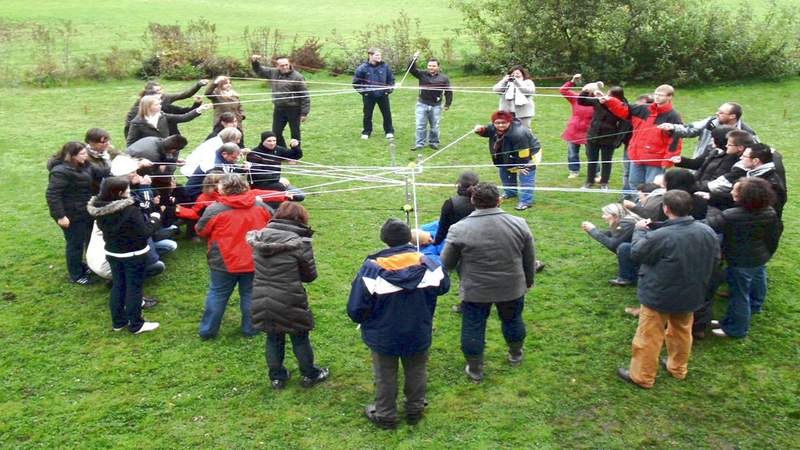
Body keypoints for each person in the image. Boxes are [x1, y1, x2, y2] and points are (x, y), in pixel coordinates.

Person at [347, 219, 450, 428]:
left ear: (385, 240)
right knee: (417, 369)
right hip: (418, 329)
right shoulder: (429, 263)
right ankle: (415, 408)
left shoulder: (371, 270)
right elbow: (444, 286)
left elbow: (356, 309)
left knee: (385, 374)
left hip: (383, 334)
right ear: (408, 238)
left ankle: (385, 414)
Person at [617, 190, 719, 389]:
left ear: (666, 209)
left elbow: (637, 253)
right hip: (692, 292)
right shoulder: (707, 231)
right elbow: (715, 260)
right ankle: (677, 368)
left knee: (649, 335)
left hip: (660, 294)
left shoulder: (662, 236)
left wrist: (639, 230)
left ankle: (642, 376)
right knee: (682, 331)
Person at [441, 182, 536, 383]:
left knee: (473, 326)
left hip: (476, 291)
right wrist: (529, 281)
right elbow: (529, 258)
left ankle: (475, 369)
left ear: (473, 201)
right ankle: (515, 354)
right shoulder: (520, 223)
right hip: (511, 286)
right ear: (499, 200)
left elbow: (446, 263)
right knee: (513, 319)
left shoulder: (458, 229)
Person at [247, 202, 330, 389]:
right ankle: (310, 374)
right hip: (290, 297)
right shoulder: (300, 243)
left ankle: (277, 377)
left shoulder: (259, 237)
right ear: (300, 219)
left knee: (273, 337)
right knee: (299, 336)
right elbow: (310, 275)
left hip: (262, 295)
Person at [196, 174, 272, 339]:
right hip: (253, 259)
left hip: (224, 262)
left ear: (224, 189)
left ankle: (208, 331)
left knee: (218, 293)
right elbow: (271, 226)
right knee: (250, 293)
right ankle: (250, 329)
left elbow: (201, 230)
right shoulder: (261, 206)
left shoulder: (215, 209)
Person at [705, 178, 780, 338]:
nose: (731, 192)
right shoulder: (769, 211)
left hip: (740, 261)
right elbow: (773, 236)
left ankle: (736, 329)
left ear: (745, 197)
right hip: (759, 256)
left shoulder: (732, 215)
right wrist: (767, 253)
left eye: (735, 191)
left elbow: (707, 225)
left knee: (739, 295)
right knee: (758, 281)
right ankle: (755, 306)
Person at [87, 176, 162, 334]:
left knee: (118, 286)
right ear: (120, 192)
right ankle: (136, 325)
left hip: (113, 253)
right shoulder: (130, 211)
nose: (130, 192)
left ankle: (119, 322)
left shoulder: (100, 209)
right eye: (127, 189)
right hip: (133, 254)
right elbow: (145, 233)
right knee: (134, 288)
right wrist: (155, 218)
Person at [601, 84, 683, 188]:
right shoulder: (643, 109)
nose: (657, 97)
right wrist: (609, 100)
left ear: (669, 97)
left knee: (652, 187)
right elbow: (624, 108)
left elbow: (676, 140)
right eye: (656, 94)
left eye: (661, 95)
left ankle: (650, 204)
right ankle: (637, 203)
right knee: (634, 183)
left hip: (655, 160)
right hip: (637, 156)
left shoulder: (673, 116)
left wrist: (668, 160)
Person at [46, 142, 102, 285]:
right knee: (75, 244)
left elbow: (102, 172)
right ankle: (76, 275)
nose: (86, 156)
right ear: (72, 156)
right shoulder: (60, 172)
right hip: (71, 215)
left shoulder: (84, 164)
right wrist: (60, 216)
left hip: (85, 210)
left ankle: (87, 266)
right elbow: (53, 195)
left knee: (88, 239)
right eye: (82, 154)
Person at [474, 110, 541, 210]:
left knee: (526, 174)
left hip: (529, 154)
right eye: (497, 123)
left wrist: (520, 167)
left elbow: (523, 153)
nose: (500, 125)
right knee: (504, 170)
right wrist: (480, 130)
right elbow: (488, 131)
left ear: (509, 122)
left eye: (503, 123)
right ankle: (510, 192)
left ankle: (526, 201)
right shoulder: (493, 127)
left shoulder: (519, 133)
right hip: (508, 152)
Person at [700, 143, 787, 219]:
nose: (741, 158)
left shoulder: (770, 184)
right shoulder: (753, 174)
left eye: (744, 156)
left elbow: (765, 212)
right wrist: (711, 196)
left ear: (755, 161)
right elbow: (739, 198)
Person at [659, 102, 758, 158]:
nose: (717, 113)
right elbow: (691, 129)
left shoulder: (746, 132)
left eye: (721, 113)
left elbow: (756, 151)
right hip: (702, 161)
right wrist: (673, 127)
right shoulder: (711, 122)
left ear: (732, 116)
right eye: (718, 111)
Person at [250, 55, 310, 148]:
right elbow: (260, 71)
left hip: (293, 109)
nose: (285, 67)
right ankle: (284, 151)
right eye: (282, 65)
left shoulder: (297, 77)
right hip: (279, 108)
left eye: (286, 64)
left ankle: (295, 155)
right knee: (276, 132)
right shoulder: (273, 73)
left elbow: (305, 96)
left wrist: (304, 113)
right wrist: (255, 62)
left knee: (295, 133)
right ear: (277, 66)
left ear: (289, 64)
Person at [577, 86, 627, 189]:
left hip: (609, 138)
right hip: (593, 135)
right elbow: (581, 101)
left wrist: (618, 140)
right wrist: (585, 91)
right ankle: (589, 181)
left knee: (606, 161)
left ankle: (604, 182)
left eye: (610, 95)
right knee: (592, 160)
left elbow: (623, 125)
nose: (607, 96)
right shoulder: (599, 101)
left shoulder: (622, 106)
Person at [581, 203, 642, 286]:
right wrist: (591, 230)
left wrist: (593, 230)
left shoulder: (627, 223)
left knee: (623, 248)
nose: (603, 216)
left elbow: (612, 244)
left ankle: (627, 278)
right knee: (623, 246)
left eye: (605, 214)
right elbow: (611, 235)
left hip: (645, 255)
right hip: (643, 251)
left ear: (615, 216)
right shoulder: (626, 221)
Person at [124, 79, 208, 137]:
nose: (160, 93)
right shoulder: (141, 106)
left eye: (161, 89)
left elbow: (185, 96)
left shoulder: (165, 100)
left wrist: (198, 85)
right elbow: (132, 124)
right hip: (141, 131)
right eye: (157, 91)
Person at [670, 126, 744, 191]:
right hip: (699, 186)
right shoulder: (712, 149)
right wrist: (681, 161)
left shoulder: (730, 159)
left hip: (705, 191)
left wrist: (690, 187)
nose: (711, 140)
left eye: (714, 138)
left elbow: (715, 181)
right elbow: (698, 163)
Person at [126, 94, 210, 146]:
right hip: (149, 155)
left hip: (165, 151)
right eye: (157, 105)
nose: (160, 106)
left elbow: (184, 117)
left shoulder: (162, 116)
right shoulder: (136, 123)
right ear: (148, 107)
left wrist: (200, 109)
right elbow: (131, 143)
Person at [408, 52, 452, 150]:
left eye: (433, 66)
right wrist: (414, 59)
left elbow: (448, 91)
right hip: (422, 104)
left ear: (438, 67)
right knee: (420, 125)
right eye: (429, 65)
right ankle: (419, 144)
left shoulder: (444, 78)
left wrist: (447, 104)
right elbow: (411, 69)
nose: (431, 67)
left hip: (436, 105)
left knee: (435, 126)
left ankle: (434, 142)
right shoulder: (422, 74)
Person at [353, 48, 395, 140]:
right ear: (370, 56)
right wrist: (365, 92)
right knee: (367, 114)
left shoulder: (385, 67)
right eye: (376, 55)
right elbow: (356, 83)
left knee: (386, 113)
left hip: (383, 95)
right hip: (369, 96)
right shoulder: (362, 68)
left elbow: (391, 80)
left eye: (380, 55)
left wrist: (388, 90)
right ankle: (366, 132)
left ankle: (389, 131)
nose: (379, 57)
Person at [559, 74, 596, 178]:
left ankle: (595, 173)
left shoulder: (598, 101)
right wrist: (572, 81)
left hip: (590, 131)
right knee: (572, 153)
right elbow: (563, 90)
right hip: (574, 130)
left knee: (592, 154)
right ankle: (574, 171)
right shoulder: (576, 98)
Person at [84, 128, 118, 193]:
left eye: (108, 141)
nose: (107, 144)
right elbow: (98, 172)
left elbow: (124, 157)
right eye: (103, 142)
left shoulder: (109, 150)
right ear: (91, 143)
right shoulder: (85, 157)